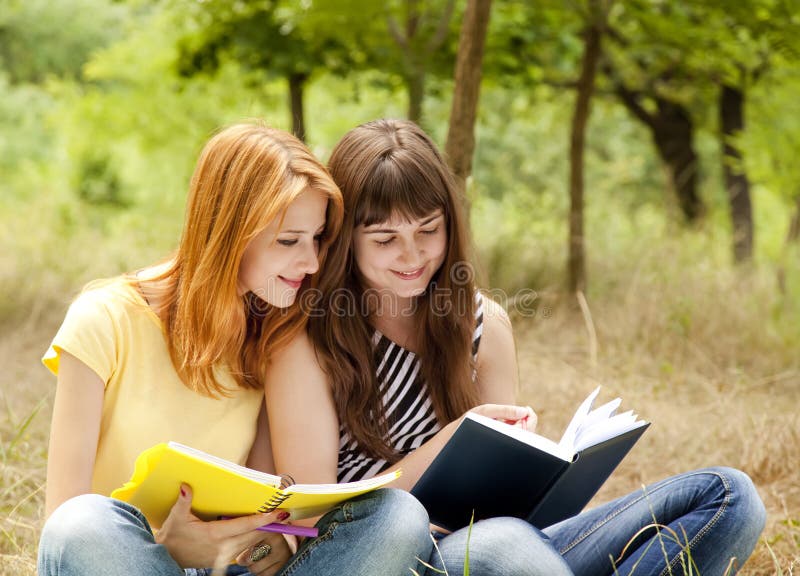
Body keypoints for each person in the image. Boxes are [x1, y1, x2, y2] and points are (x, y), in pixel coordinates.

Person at [264, 119, 767, 576]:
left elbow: (507, 507)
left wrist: (533, 467)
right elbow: (313, 520)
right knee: (503, 543)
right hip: (387, 559)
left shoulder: (482, 325)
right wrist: (449, 444)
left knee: (729, 497)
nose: (412, 254)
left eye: (428, 231)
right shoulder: (307, 341)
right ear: (346, 239)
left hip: (497, 550)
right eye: (384, 239)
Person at [37, 122, 432, 576]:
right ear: (229, 234)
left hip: (228, 570)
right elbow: (62, 528)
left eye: (317, 238)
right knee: (82, 524)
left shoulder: (276, 337)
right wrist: (168, 549)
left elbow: (264, 522)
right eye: (289, 241)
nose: (311, 262)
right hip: (123, 561)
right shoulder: (104, 320)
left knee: (396, 517)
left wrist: (262, 545)